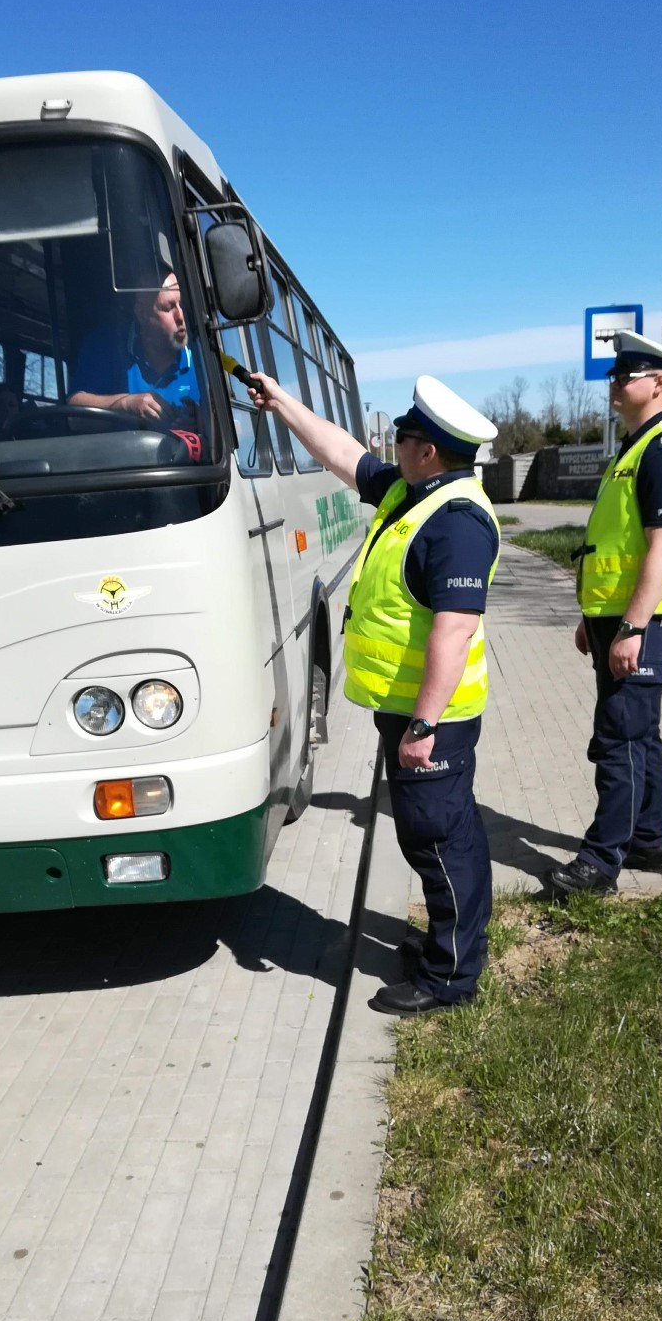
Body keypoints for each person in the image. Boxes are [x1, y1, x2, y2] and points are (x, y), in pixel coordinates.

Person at [248, 371, 501, 1017]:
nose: (392, 445)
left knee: (435, 837)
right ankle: (455, 942)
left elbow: (453, 630)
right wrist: (281, 402)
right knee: (445, 830)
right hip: (408, 709)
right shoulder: (410, 493)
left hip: (432, 717)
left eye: (403, 437)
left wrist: (424, 724)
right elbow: (342, 452)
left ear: (428, 451)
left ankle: (450, 979)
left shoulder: (458, 523)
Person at [548, 330, 662, 898]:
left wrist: (631, 627)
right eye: (613, 375)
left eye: (624, 375)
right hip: (618, 617)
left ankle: (599, 864)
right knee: (640, 732)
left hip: (644, 622)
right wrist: (595, 618)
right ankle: (649, 841)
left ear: (658, 384)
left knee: (620, 738)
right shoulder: (633, 450)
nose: (613, 383)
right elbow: (616, 544)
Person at [68, 271, 200, 428]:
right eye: (168, 307)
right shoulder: (107, 346)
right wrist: (126, 405)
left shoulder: (204, 353)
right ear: (142, 314)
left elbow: (228, 420)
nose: (180, 316)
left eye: (181, 304)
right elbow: (74, 416)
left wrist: (204, 422)